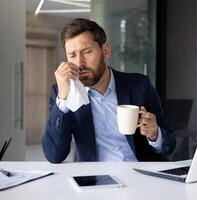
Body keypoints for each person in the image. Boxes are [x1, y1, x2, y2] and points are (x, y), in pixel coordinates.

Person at [42, 18, 176, 163]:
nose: (79, 63)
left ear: (105, 50)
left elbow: (169, 146)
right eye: (72, 55)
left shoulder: (139, 85)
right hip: (93, 182)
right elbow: (54, 155)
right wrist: (63, 99)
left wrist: (155, 134)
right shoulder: (63, 92)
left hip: (140, 176)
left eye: (86, 52)